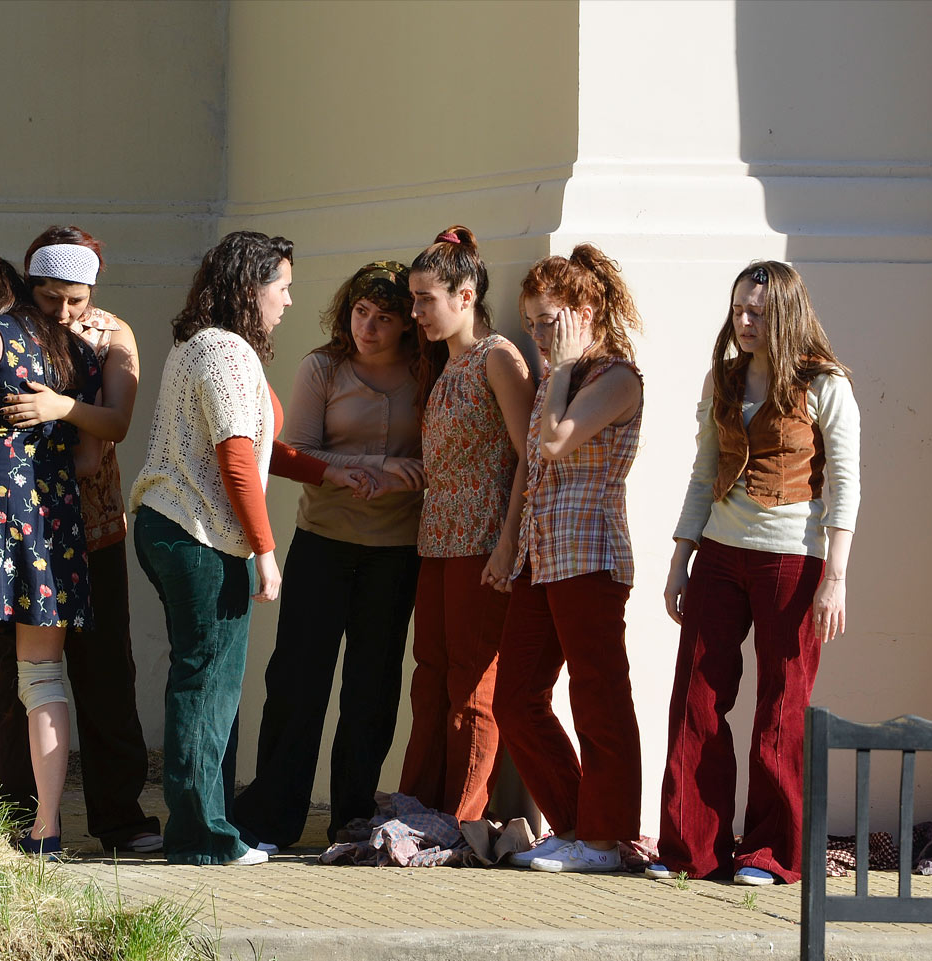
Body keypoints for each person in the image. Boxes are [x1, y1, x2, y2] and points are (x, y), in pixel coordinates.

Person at [129, 231, 364, 866]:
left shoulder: (201, 346)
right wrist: (265, 551)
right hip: (198, 536)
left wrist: (324, 473)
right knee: (209, 685)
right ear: (248, 286)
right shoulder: (226, 351)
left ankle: (205, 826)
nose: (288, 300)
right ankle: (202, 838)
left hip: (175, 528)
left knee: (205, 682)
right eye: (282, 286)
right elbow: (235, 457)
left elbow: (254, 447)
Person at [0, 226, 162, 854]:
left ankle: (116, 818)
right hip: (51, 522)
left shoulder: (110, 337)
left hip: (89, 525)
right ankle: (25, 818)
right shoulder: (28, 333)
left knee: (103, 672)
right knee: (23, 676)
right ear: (28, 286)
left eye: (76, 299)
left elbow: (114, 424)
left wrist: (61, 406)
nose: (64, 311)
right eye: (52, 297)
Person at [648, 261, 860, 886]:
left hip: (792, 559)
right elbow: (701, 471)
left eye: (758, 313)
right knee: (697, 697)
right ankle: (690, 849)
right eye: (738, 309)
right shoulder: (724, 378)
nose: (743, 322)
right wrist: (680, 558)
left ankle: (772, 853)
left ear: (786, 315)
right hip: (718, 550)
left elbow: (846, 483)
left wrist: (836, 575)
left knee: (781, 707)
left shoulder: (826, 386)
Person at [233, 261, 431, 849]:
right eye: (360, 313)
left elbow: (438, 461)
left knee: (371, 690)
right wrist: (371, 470)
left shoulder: (428, 372)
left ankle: (352, 818)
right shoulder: (322, 367)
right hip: (322, 543)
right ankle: (272, 819)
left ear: (407, 325)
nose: (368, 327)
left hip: (395, 552)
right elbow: (295, 450)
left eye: (385, 317)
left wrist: (402, 478)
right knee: (297, 681)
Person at [0, 256, 102, 858]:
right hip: (54, 515)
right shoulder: (79, 355)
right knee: (43, 676)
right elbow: (87, 458)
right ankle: (48, 828)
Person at [493, 245, 645, 874]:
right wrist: (508, 544)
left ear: (585, 311)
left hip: (590, 556)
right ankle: (579, 824)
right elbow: (533, 471)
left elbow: (555, 442)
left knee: (598, 697)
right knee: (516, 698)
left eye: (547, 320)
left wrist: (557, 368)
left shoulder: (616, 378)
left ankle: (606, 839)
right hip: (540, 556)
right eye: (529, 323)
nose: (536, 335)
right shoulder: (566, 378)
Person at [397, 226, 535, 821]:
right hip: (437, 542)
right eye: (414, 298)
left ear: (466, 293)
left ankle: (463, 817)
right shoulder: (444, 366)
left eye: (426, 298)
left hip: (482, 545)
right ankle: (418, 804)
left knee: (474, 684)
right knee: (429, 677)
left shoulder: (498, 359)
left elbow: (530, 454)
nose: (416, 312)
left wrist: (509, 543)